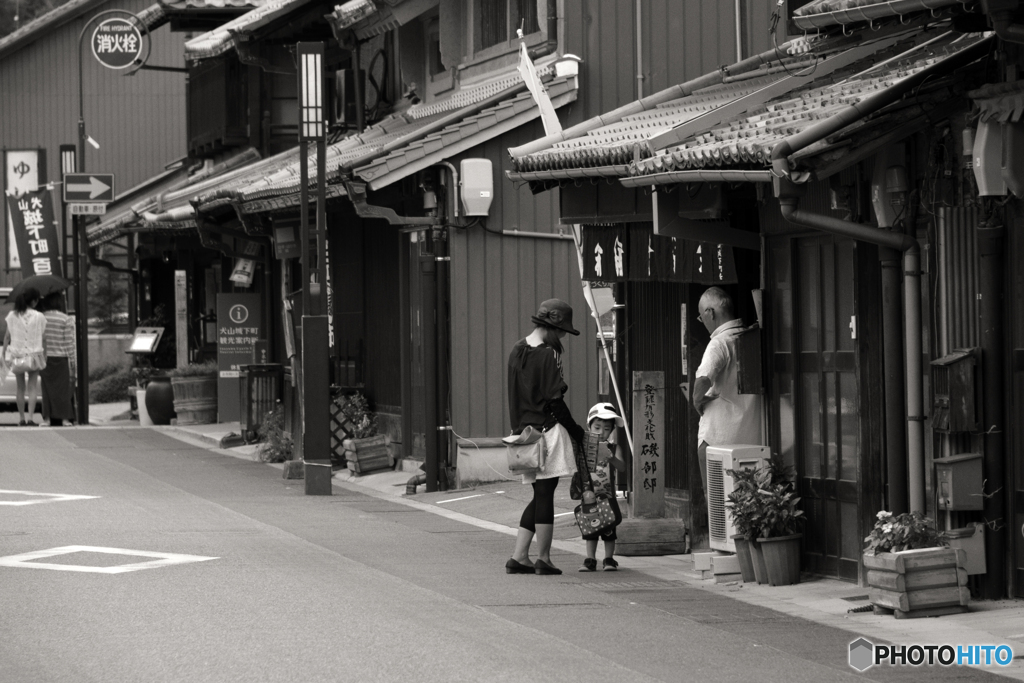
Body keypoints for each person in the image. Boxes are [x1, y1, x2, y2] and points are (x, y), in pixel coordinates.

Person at [506, 299, 592, 576]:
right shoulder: (548, 354)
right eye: (563, 331)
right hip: (547, 430)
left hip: (525, 434)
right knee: (545, 495)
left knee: (538, 494)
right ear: (554, 328)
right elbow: (555, 400)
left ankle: (519, 556)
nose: (564, 336)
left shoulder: (516, 351)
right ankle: (543, 557)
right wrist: (576, 430)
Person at [690, 287, 762, 494]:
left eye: (701, 316)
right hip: (751, 435)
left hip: (717, 437)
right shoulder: (750, 337)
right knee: (748, 498)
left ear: (710, 313)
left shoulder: (719, 343)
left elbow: (703, 379)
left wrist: (697, 402)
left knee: (717, 499)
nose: (702, 322)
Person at [579, 402, 626, 572]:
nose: (601, 432)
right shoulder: (583, 448)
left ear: (612, 430)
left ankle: (609, 559)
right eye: (597, 427)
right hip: (588, 495)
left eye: (607, 428)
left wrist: (611, 457)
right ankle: (590, 559)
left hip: (608, 495)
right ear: (589, 426)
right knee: (591, 528)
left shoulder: (614, 447)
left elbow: (622, 467)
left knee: (608, 528)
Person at [2, 287, 47, 426]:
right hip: (34, 356)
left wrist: (4, 354)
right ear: (33, 301)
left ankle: (21, 418)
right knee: (32, 387)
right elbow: (44, 338)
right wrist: (45, 356)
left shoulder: (12, 315)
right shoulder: (39, 316)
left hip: (17, 356)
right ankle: (31, 418)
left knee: (20, 388)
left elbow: (7, 337)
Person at [38, 292, 76, 426]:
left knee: (46, 390)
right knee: (63, 391)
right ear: (59, 303)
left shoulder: (40, 318)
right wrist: (72, 361)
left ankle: (47, 419)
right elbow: (69, 342)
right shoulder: (66, 319)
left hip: (45, 359)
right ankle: (64, 419)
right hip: (61, 359)